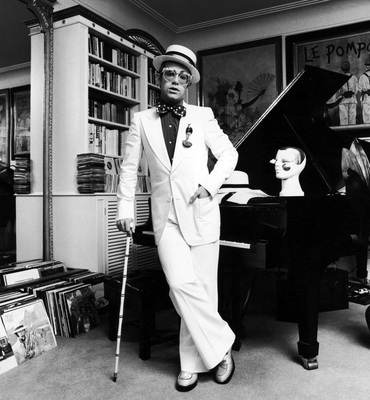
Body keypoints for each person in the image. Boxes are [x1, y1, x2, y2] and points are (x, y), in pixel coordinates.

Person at [116, 44, 238, 392]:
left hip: (200, 213)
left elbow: (229, 154)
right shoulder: (141, 120)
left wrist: (209, 185)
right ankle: (223, 344)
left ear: (189, 83)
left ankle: (191, 363)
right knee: (180, 286)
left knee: (202, 291)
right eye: (169, 73)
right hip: (165, 219)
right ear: (160, 77)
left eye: (182, 76)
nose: (175, 80)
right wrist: (124, 209)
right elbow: (128, 170)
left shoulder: (203, 116)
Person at [338, 60, 359, 125]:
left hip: (343, 100)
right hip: (352, 99)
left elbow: (338, 91)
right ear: (349, 68)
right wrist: (352, 94)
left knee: (343, 119)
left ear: (341, 69)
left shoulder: (339, 78)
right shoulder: (354, 77)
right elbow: (357, 89)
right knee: (352, 118)